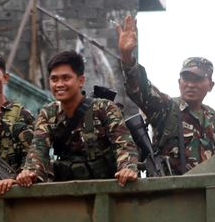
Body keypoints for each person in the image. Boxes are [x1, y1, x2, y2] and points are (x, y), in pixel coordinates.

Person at [114, 14, 215, 174]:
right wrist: (127, 57)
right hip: (171, 188)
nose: (190, 84)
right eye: (186, 79)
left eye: (198, 80)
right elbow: (141, 90)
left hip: (208, 188)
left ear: (211, 85)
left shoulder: (213, 117)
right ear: (179, 82)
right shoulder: (167, 108)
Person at [16, 50, 139, 186]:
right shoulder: (49, 113)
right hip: (68, 190)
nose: (59, 84)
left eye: (66, 78)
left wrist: (127, 168)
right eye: (54, 79)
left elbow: (123, 144)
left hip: (107, 187)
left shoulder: (104, 108)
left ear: (80, 81)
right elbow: (38, 147)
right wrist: (30, 172)